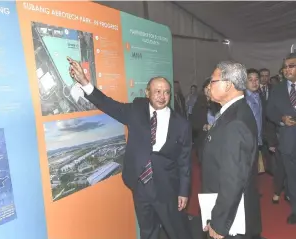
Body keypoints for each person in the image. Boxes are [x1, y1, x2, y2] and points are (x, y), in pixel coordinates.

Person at [67, 57, 192, 239]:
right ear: (147, 92)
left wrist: (183, 191)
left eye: (166, 92)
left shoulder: (181, 124)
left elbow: (185, 162)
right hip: (140, 184)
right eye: (157, 91)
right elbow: (107, 104)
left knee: (177, 232)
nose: (162, 96)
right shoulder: (136, 110)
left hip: (167, 188)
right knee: (147, 232)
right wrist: (85, 83)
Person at [202, 61, 262, 239]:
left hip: (230, 217)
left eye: (213, 81)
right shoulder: (233, 111)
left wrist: (219, 223)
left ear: (228, 84)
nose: (209, 86)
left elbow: (233, 179)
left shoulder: (235, 121)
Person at [266, 53, 296, 224]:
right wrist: (281, 119)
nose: (287, 69)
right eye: (285, 66)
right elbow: (270, 111)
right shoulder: (277, 89)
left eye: (291, 65)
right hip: (288, 141)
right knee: (292, 178)